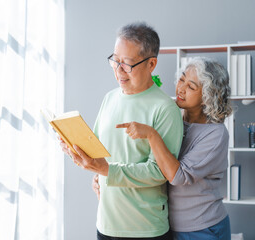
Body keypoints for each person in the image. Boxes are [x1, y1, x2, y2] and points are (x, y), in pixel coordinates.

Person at [60, 22, 183, 239]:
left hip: (145, 228)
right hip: (106, 224)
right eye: (115, 60)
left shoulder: (165, 108)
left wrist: (108, 171)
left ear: (151, 64)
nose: (118, 70)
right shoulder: (110, 98)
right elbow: (100, 151)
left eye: (127, 64)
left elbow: (160, 172)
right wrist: (77, 151)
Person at [94, 57, 232, 240]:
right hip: (168, 224)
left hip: (202, 228)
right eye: (181, 79)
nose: (181, 89)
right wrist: (103, 178)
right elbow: (148, 163)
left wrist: (152, 135)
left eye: (191, 87)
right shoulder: (175, 117)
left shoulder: (215, 134)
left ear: (208, 97)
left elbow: (178, 176)